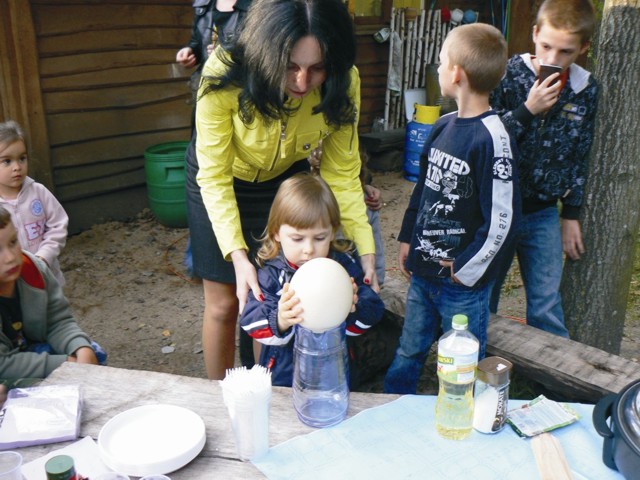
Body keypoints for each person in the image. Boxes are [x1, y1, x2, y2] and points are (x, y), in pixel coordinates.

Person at [186, 0, 377, 380]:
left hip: (281, 180)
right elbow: (215, 175)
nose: (303, 83)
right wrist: (238, 256)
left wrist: (365, 246)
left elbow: (342, 172)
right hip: (219, 178)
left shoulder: (345, 80)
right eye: (290, 66)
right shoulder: (225, 72)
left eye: (317, 68)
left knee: (271, 297)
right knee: (225, 303)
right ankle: (219, 396)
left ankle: (265, 389)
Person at [383, 23, 519, 394]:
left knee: (460, 365)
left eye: (442, 62)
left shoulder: (493, 137)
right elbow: (423, 191)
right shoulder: (442, 126)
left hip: (462, 285)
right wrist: (408, 237)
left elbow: (502, 220)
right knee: (409, 350)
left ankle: (460, 418)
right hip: (423, 275)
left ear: (456, 73)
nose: (439, 68)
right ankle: (391, 407)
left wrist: (466, 268)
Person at [488, 0, 598, 337]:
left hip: (544, 214)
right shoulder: (507, 75)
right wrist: (527, 110)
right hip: (497, 209)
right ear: (534, 34)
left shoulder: (585, 90)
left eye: (565, 51)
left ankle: (550, 385)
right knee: (484, 296)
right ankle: (479, 370)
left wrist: (571, 213)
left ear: (583, 48)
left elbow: (581, 153)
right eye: (546, 46)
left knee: (546, 303)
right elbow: (484, 138)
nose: (553, 59)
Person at [239, 173, 384, 386]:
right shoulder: (270, 274)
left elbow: (374, 309)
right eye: (297, 239)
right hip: (284, 379)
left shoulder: (342, 268)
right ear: (276, 232)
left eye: (319, 238)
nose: (309, 250)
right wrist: (280, 319)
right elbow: (250, 322)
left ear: (333, 232)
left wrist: (353, 307)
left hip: (335, 374)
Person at [0, 206, 99, 382]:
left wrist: (80, 347)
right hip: (6, 368)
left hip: (31, 351)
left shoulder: (33, 270)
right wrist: (64, 364)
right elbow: (3, 364)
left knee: (94, 354)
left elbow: (57, 321)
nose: (10, 257)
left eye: (13, 242)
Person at [0, 121, 68, 288]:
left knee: (53, 311)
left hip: (47, 276)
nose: (17, 167)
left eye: (22, 158)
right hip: (12, 283)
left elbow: (58, 225)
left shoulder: (39, 192)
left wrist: (44, 256)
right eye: (7, 161)